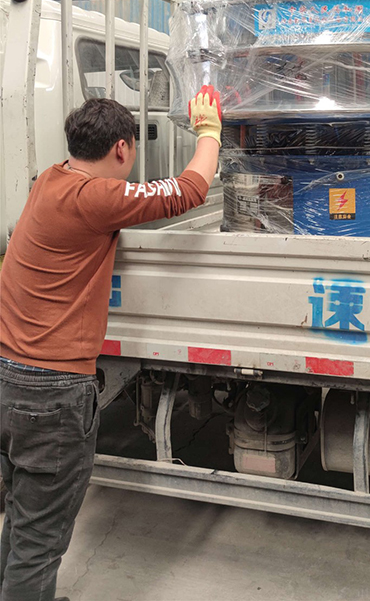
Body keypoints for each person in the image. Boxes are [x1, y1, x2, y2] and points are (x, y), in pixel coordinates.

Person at [0, 85, 222, 601]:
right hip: (51, 394)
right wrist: (209, 131)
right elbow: (188, 190)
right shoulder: (94, 198)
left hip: (7, 377)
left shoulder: (50, 180)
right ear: (122, 148)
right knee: (40, 540)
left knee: (23, 516)